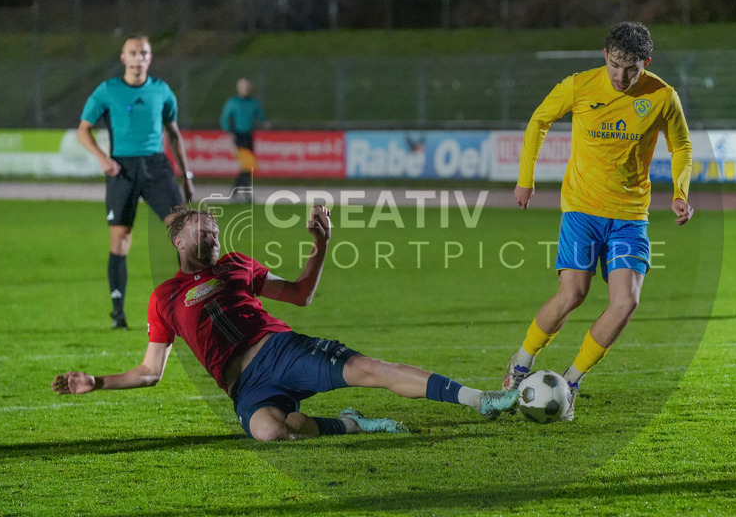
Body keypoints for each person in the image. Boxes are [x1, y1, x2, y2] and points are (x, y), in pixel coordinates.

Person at [51, 205, 519, 441]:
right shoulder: (164, 297)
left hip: (280, 349)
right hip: (246, 388)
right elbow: (151, 371)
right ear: (177, 239)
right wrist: (97, 381)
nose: (213, 235)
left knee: (372, 370)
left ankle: (481, 399)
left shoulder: (237, 264)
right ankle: (350, 426)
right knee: (276, 432)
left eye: (216, 230)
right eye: (203, 229)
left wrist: (321, 246)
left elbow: (300, 294)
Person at [501, 21, 694, 421]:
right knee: (573, 294)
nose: (622, 77)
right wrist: (526, 179)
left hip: (629, 216)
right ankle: (522, 360)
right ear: (605, 55)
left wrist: (680, 193)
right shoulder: (579, 86)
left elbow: (682, 146)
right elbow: (539, 120)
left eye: (633, 69)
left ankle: (569, 383)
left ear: (647, 63)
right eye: (616, 66)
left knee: (626, 302)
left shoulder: (662, 95)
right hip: (582, 208)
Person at [77, 34, 195, 330]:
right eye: (133, 53)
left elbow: (174, 133)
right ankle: (118, 313)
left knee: (185, 235)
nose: (138, 58)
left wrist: (187, 173)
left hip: (157, 167)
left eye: (144, 53)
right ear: (123, 58)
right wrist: (103, 158)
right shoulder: (107, 91)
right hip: (122, 171)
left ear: (149, 58)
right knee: (120, 240)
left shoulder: (162, 91)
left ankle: (187, 308)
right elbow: (83, 130)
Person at [219, 78, 269, 203]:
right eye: (242, 86)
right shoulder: (233, 102)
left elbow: (261, 115)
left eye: (246, 86)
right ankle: (236, 192)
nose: (245, 89)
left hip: (248, 136)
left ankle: (244, 194)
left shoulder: (252, 103)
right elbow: (224, 119)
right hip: (238, 136)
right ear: (238, 88)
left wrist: (265, 122)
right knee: (247, 166)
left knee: (248, 167)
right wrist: (230, 133)